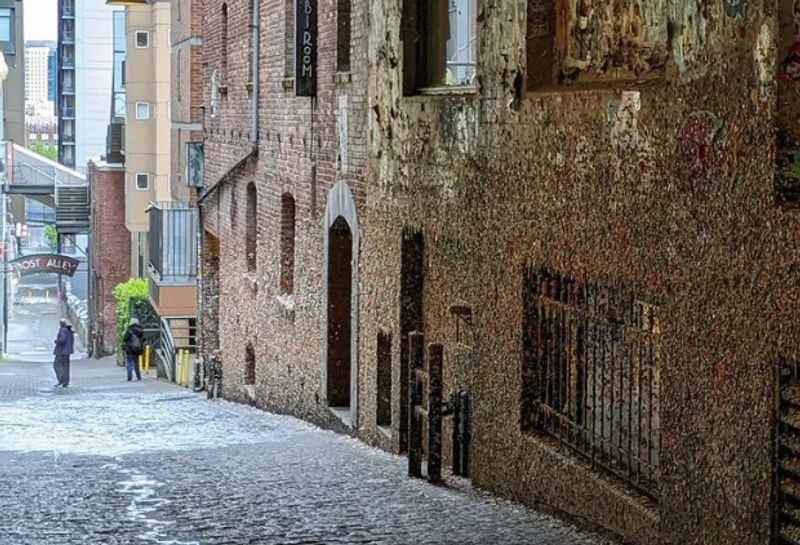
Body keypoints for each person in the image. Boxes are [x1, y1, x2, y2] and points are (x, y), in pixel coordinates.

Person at [53, 319, 75, 388]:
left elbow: (62, 339)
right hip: (67, 352)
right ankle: (66, 382)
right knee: (66, 367)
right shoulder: (69, 331)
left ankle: (61, 380)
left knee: (56, 365)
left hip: (61, 352)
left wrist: (57, 341)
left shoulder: (63, 330)